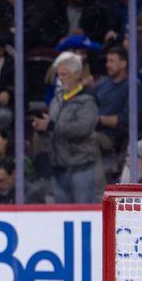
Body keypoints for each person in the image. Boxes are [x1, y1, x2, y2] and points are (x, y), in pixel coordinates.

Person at [32, 51, 99, 203]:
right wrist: (42, 129)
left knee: (83, 214)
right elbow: (53, 129)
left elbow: (82, 129)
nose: (61, 79)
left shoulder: (87, 100)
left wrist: (52, 126)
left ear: (76, 74)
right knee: (62, 215)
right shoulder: (57, 100)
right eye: (59, 75)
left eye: (64, 75)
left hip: (80, 167)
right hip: (58, 167)